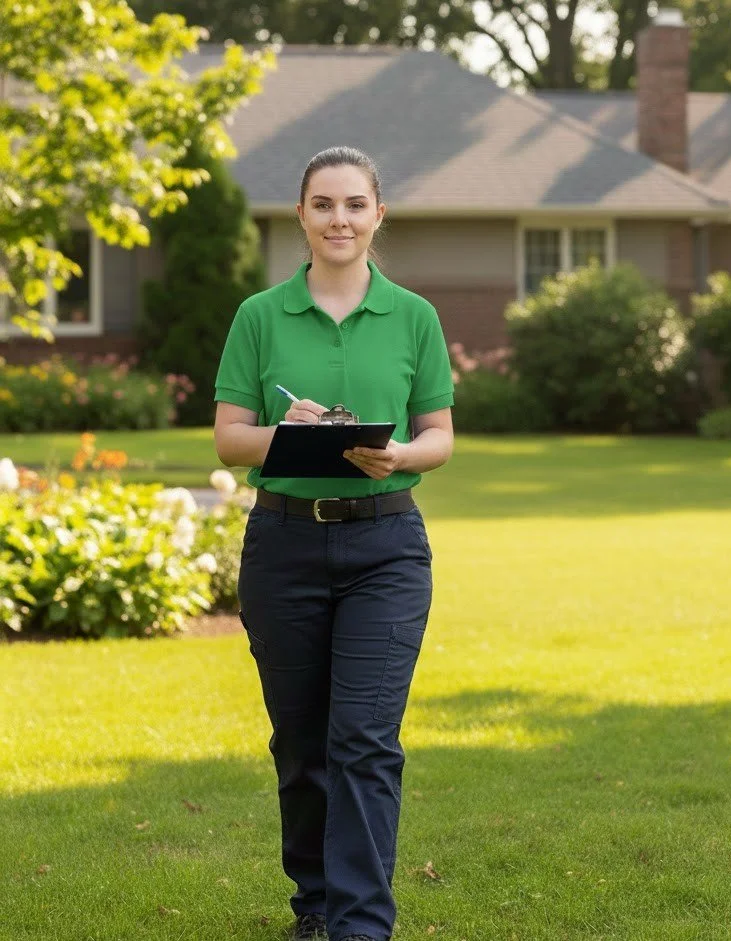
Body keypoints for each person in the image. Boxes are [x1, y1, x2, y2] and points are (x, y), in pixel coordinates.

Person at [213, 146, 455, 941]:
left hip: (386, 547)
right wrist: (287, 430)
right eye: (324, 205)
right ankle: (315, 902)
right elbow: (229, 440)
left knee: (365, 738)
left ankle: (359, 924)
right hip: (283, 545)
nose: (339, 219)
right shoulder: (259, 316)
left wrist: (399, 457)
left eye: (355, 204)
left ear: (378, 214)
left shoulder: (414, 315)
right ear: (302, 217)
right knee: (303, 740)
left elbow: (439, 436)